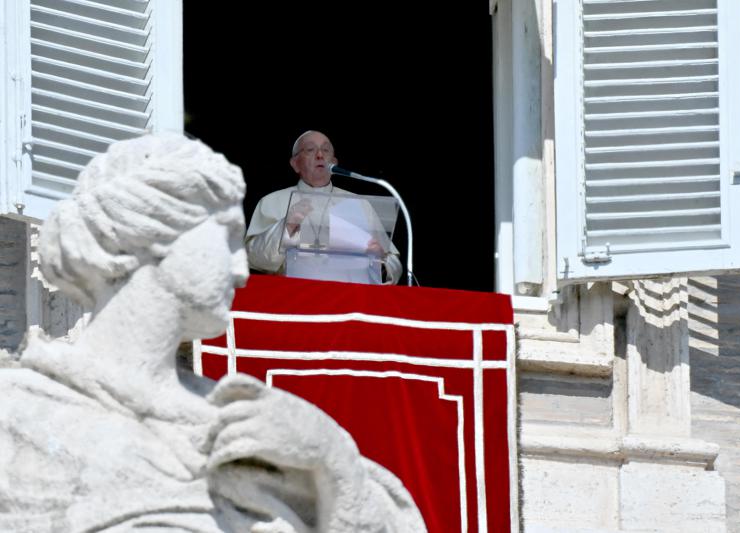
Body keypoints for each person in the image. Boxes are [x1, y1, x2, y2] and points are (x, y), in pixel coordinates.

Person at [0, 133, 425, 532]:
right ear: (146, 236)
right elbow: (264, 257)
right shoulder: (18, 413)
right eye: (224, 238)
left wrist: (334, 463)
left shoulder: (255, 423)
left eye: (326, 149)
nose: (239, 270)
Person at [245, 130, 403, 284]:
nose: (320, 155)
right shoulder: (271, 201)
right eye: (310, 150)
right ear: (295, 164)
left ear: (333, 162)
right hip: (293, 300)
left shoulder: (359, 204)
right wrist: (286, 227)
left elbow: (393, 264)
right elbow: (252, 258)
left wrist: (379, 262)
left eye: (325, 150)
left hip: (349, 302)